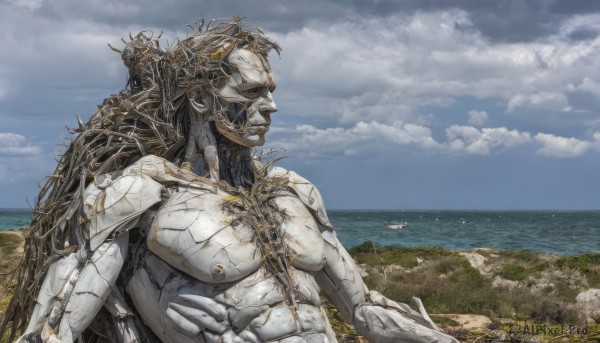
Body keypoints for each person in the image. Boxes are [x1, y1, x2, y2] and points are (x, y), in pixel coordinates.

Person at [1, 19, 458, 343]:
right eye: (252, 92)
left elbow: (362, 311)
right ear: (201, 99)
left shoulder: (293, 192)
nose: (271, 107)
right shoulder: (143, 194)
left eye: (271, 92)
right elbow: (56, 327)